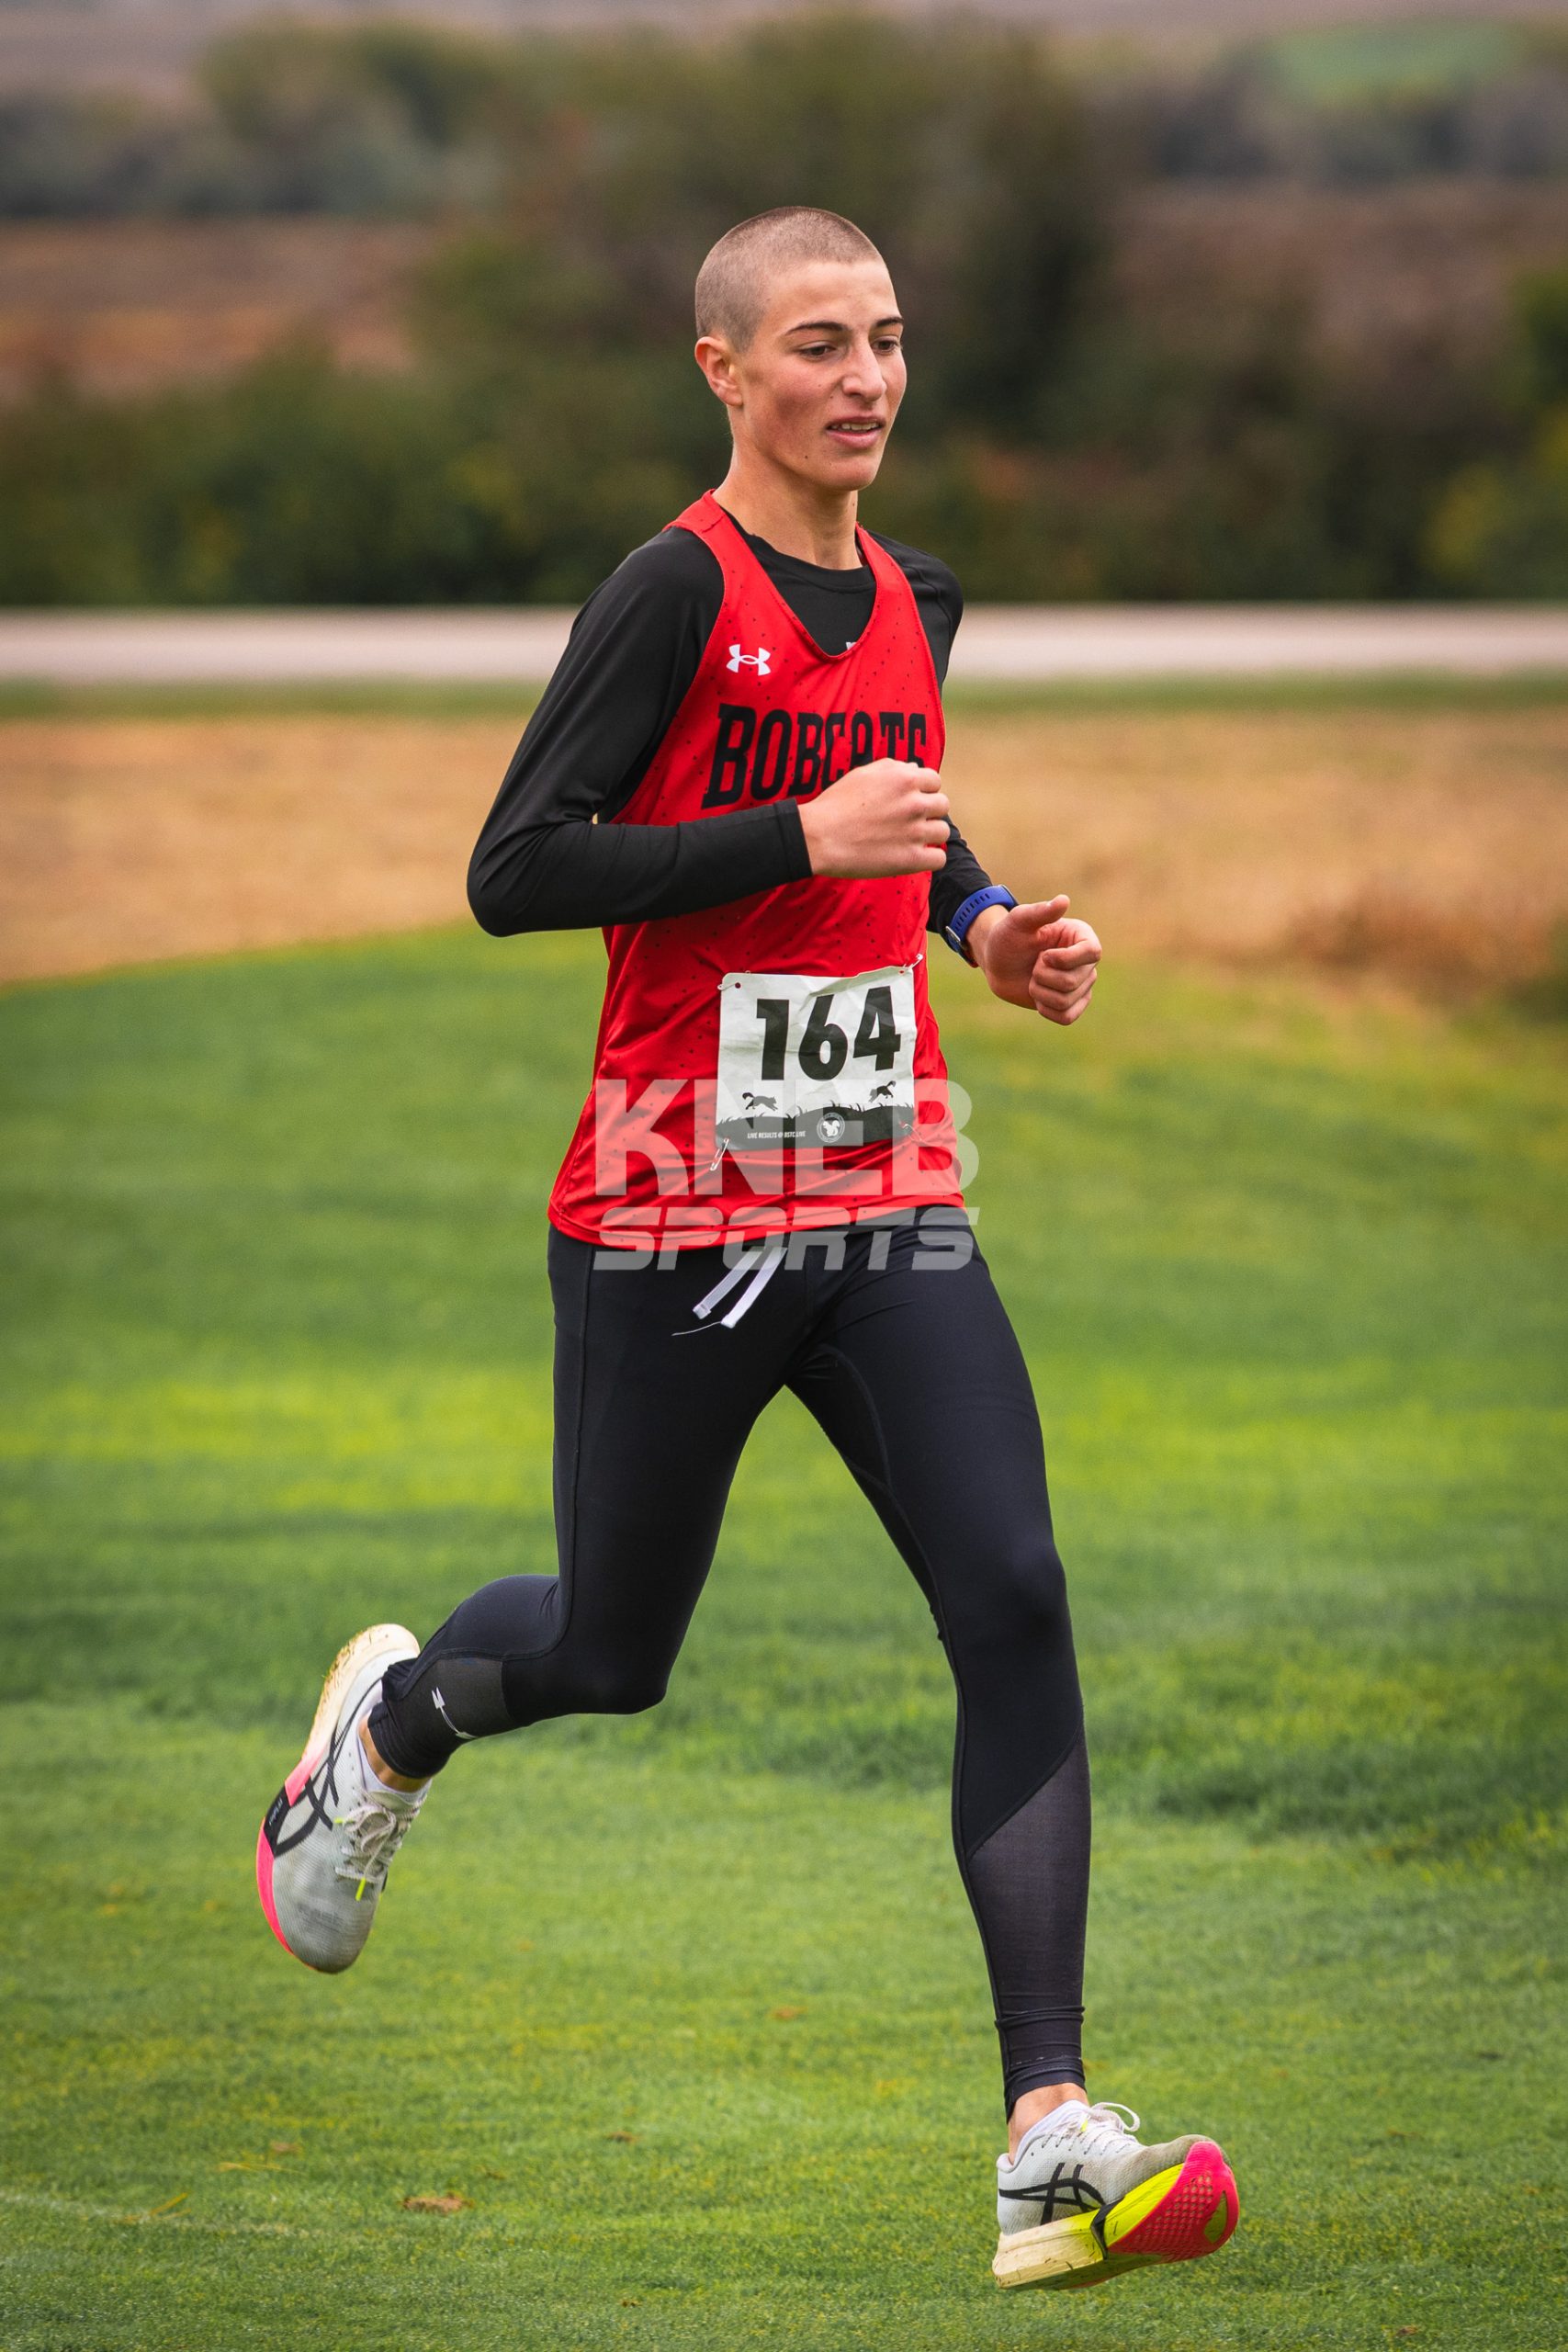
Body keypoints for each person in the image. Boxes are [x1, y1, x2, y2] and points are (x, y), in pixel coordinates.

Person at [255, 206, 1239, 2294]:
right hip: (666, 1205)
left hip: (882, 1191)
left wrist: (985, 924)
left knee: (1014, 1593)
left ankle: (1046, 2133)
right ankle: (395, 1724)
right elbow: (517, 867)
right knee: (611, 1653)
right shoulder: (670, 592)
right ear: (723, 368)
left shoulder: (917, 592)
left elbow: (906, 813)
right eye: (817, 343)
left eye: (886, 338)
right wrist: (800, 836)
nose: (865, 378)